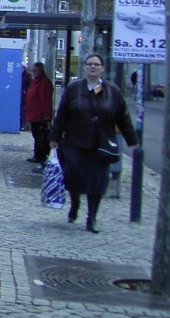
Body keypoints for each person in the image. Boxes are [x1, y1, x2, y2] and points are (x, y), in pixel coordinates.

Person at [50, 54, 138, 233]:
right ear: (85, 67)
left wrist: (132, 140)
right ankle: (75, 204)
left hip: (100, 145)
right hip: (75, 143)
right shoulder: (74, 89)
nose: (92, 67)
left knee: (97, 181)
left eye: (96, 65)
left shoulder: (112, 92)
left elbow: (124, 118)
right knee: (73, 178)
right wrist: (54, 137)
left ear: (102, 68)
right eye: (89, 64)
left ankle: (92, 217)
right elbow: (62, 114)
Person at [25, 62, 55, 165]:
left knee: (41, 137)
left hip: (40, 115)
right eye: (32, 70)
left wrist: (47, 115)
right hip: (34, 114)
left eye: (35, 70)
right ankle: (37, 155)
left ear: (41, 71)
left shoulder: (44, 83)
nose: (33, 72)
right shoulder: (36, 82)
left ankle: (40, 156)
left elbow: (45, 100)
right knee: (37, 136)